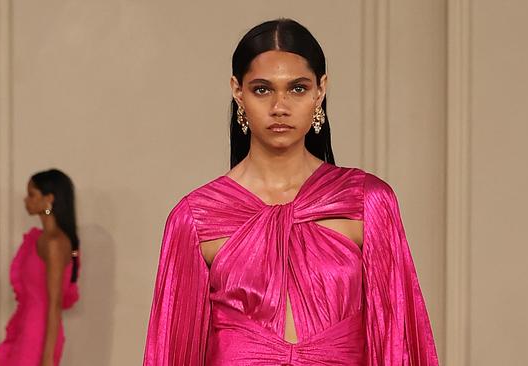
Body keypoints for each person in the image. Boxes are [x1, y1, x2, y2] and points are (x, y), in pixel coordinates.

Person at [144, 19, 438, 365]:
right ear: (238, 92)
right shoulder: (196, 218)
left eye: (297, 88)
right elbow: (173, 354)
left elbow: (397, 342)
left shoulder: (365, 201)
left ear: (321, 90)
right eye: (262, 89)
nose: (279, 107)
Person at [0, 169, 80, 366]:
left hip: (39, 335)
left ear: (49, 198)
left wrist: (48, 358)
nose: (26, 200)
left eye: (32, 194)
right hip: (26, 328)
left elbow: (55, 302)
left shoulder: (55, 243)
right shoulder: (39, 240)